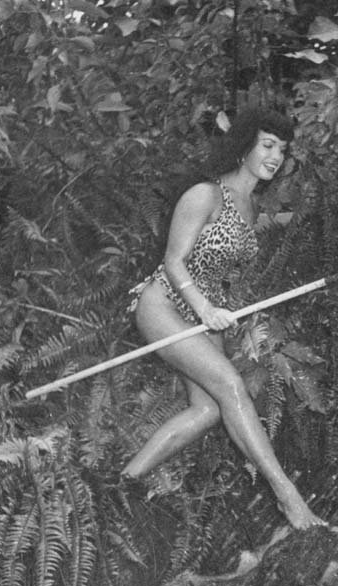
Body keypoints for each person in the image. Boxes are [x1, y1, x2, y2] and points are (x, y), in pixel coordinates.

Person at [124, 107, 324, 529]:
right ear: (245, 145)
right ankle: (288, 497)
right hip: (165, 304)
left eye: (282, 149)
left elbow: (281, 224)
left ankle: (125, 482)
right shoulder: (205, 195)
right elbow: (174, 262)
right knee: (232, 386)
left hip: (205, 313)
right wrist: (205, 309)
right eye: (267, 145)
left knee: (210, 410)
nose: (275, 156)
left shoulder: (251, 206)